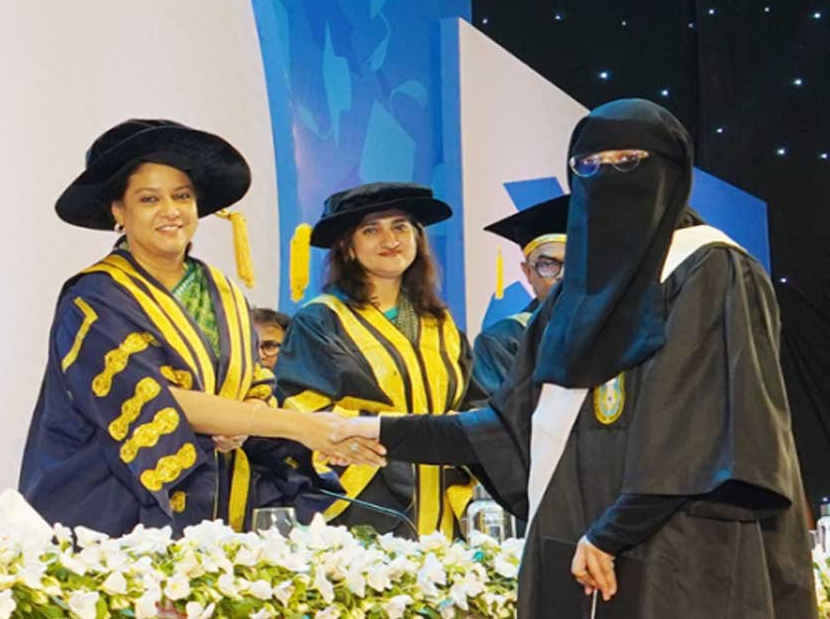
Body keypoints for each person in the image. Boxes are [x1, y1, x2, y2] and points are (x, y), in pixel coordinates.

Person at [333, 99, 815, 617]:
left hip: (683, 552)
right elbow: (505, 429)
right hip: (576, 549)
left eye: (628, 161)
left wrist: (612, 533)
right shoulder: (571, 299)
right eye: (589, 165)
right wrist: (378, 430)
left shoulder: (708, 268)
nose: (607, 177)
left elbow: (700, 429)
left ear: (673, 172)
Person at [18, 119, 383, 536]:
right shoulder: (95, 298)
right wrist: (302, 426)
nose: (171, 211)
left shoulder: (223, 291)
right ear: (118, 211)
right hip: (112, 509)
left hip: (212, 506)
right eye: (149, 199)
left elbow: (254, 383)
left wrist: (243, 426)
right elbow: (155, 399)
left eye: (183, 196)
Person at [273, 182, 484, 539]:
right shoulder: (322, 320)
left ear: (417, 239)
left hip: (443, 508)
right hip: (366, 508)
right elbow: (303, 408)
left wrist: (459, 431)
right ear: (348, 248)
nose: (390, 240)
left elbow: (473, 402)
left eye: (401, 227)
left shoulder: (441, 323)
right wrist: (401, 438)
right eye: (371, 230)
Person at [472, 194, 569, 396]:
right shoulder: (502, 341)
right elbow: (492, 412)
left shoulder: (616, 331)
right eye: (548, 265)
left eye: (575, 263)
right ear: (528, 272)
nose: (563, 276)